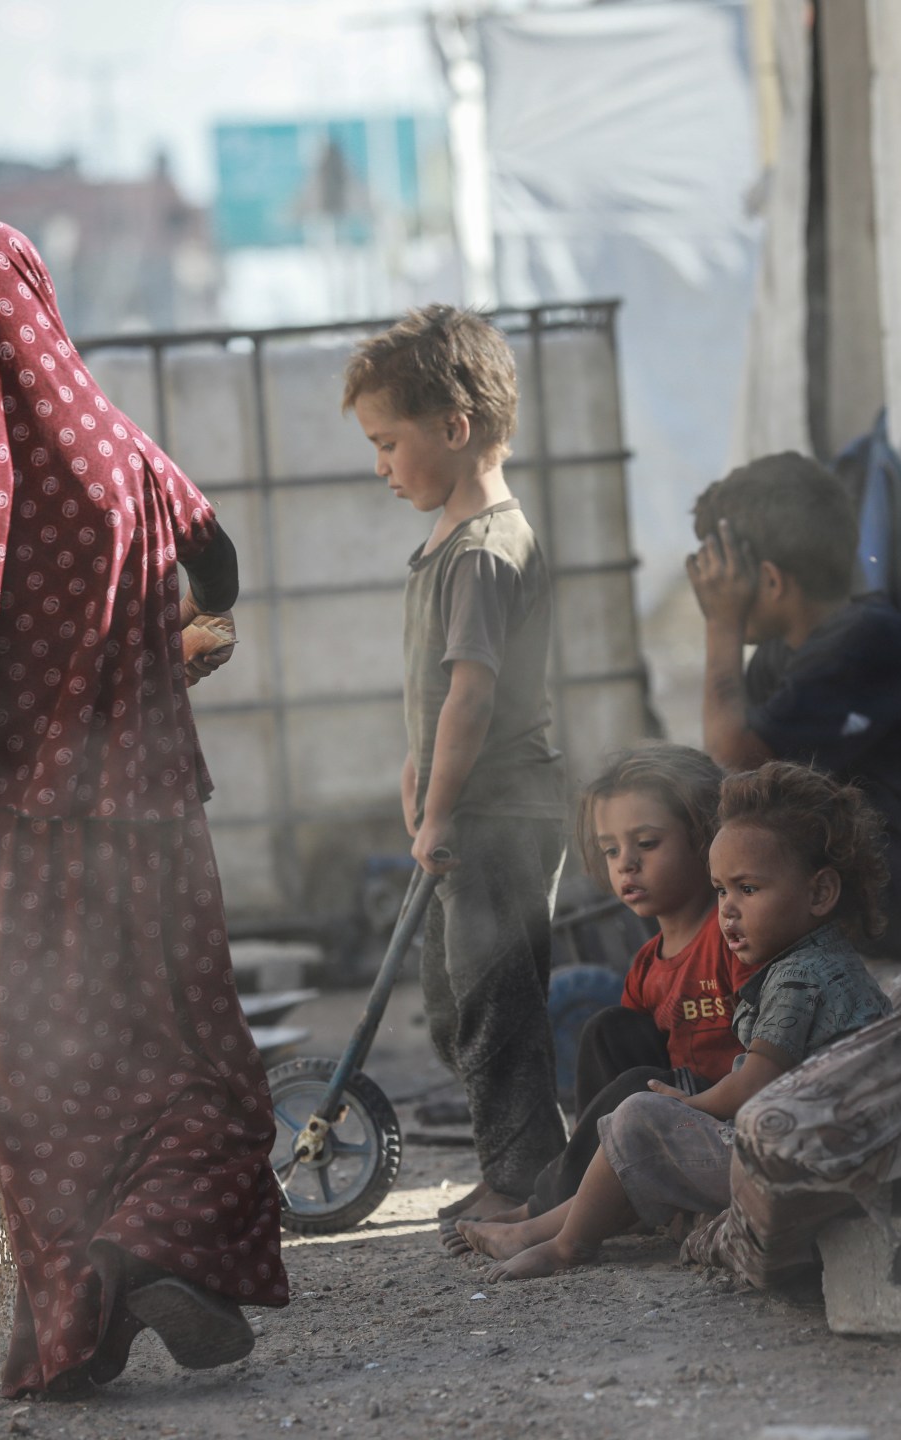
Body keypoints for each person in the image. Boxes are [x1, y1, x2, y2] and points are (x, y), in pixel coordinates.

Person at [0, 220, 285, 1398]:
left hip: (6, 862)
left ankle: (84, 1315)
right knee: (188, 1055)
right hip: (146, 831)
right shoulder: (114, 448)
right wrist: (187, 630)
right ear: (34, 305)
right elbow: (218, 562)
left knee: (51, 1091)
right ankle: (153, 1249)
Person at [461, 761, 892, 1279]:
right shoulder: (820, 962)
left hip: (801, 1157)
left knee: (639, 1116)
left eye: (748, 890)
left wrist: (687, 1105)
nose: (728, 910)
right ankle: (555, 1217)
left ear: (821, 893)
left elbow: (754, 1080)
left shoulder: (799, 977)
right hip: (808, 1141)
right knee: (624, 1076)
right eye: (722, 891)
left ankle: (565, 1243)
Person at [343, 304, 569, 1227]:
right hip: (467, 806)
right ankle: (521, 1165)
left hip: (497, 814)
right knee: (452, 1002)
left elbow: (472, 695)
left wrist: (438, 808)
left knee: (492, 1001)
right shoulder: (449, 543)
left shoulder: (481, 552)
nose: (382, 467)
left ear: (455, 427)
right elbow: (441, 696)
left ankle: (524, 1185)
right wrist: (416, 766)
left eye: (389, 443)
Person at [685, 453, 901, 961]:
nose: (710, 593)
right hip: (900, 875)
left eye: (722, 576)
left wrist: (720, 626)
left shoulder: (862, 643)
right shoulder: (786, 653)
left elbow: (736, 758)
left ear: (771, 582)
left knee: (749, 888)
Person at [443, 744, 749, 1253]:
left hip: (722, 1117)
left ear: (706, 838)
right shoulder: (647, 963)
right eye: (611, 851)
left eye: (647, 843)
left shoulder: (734, 938)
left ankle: (542, 1214)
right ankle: (591, 1196)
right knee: (608, 1030)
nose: (626, 864)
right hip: (663, 1116)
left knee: (635, 1086)